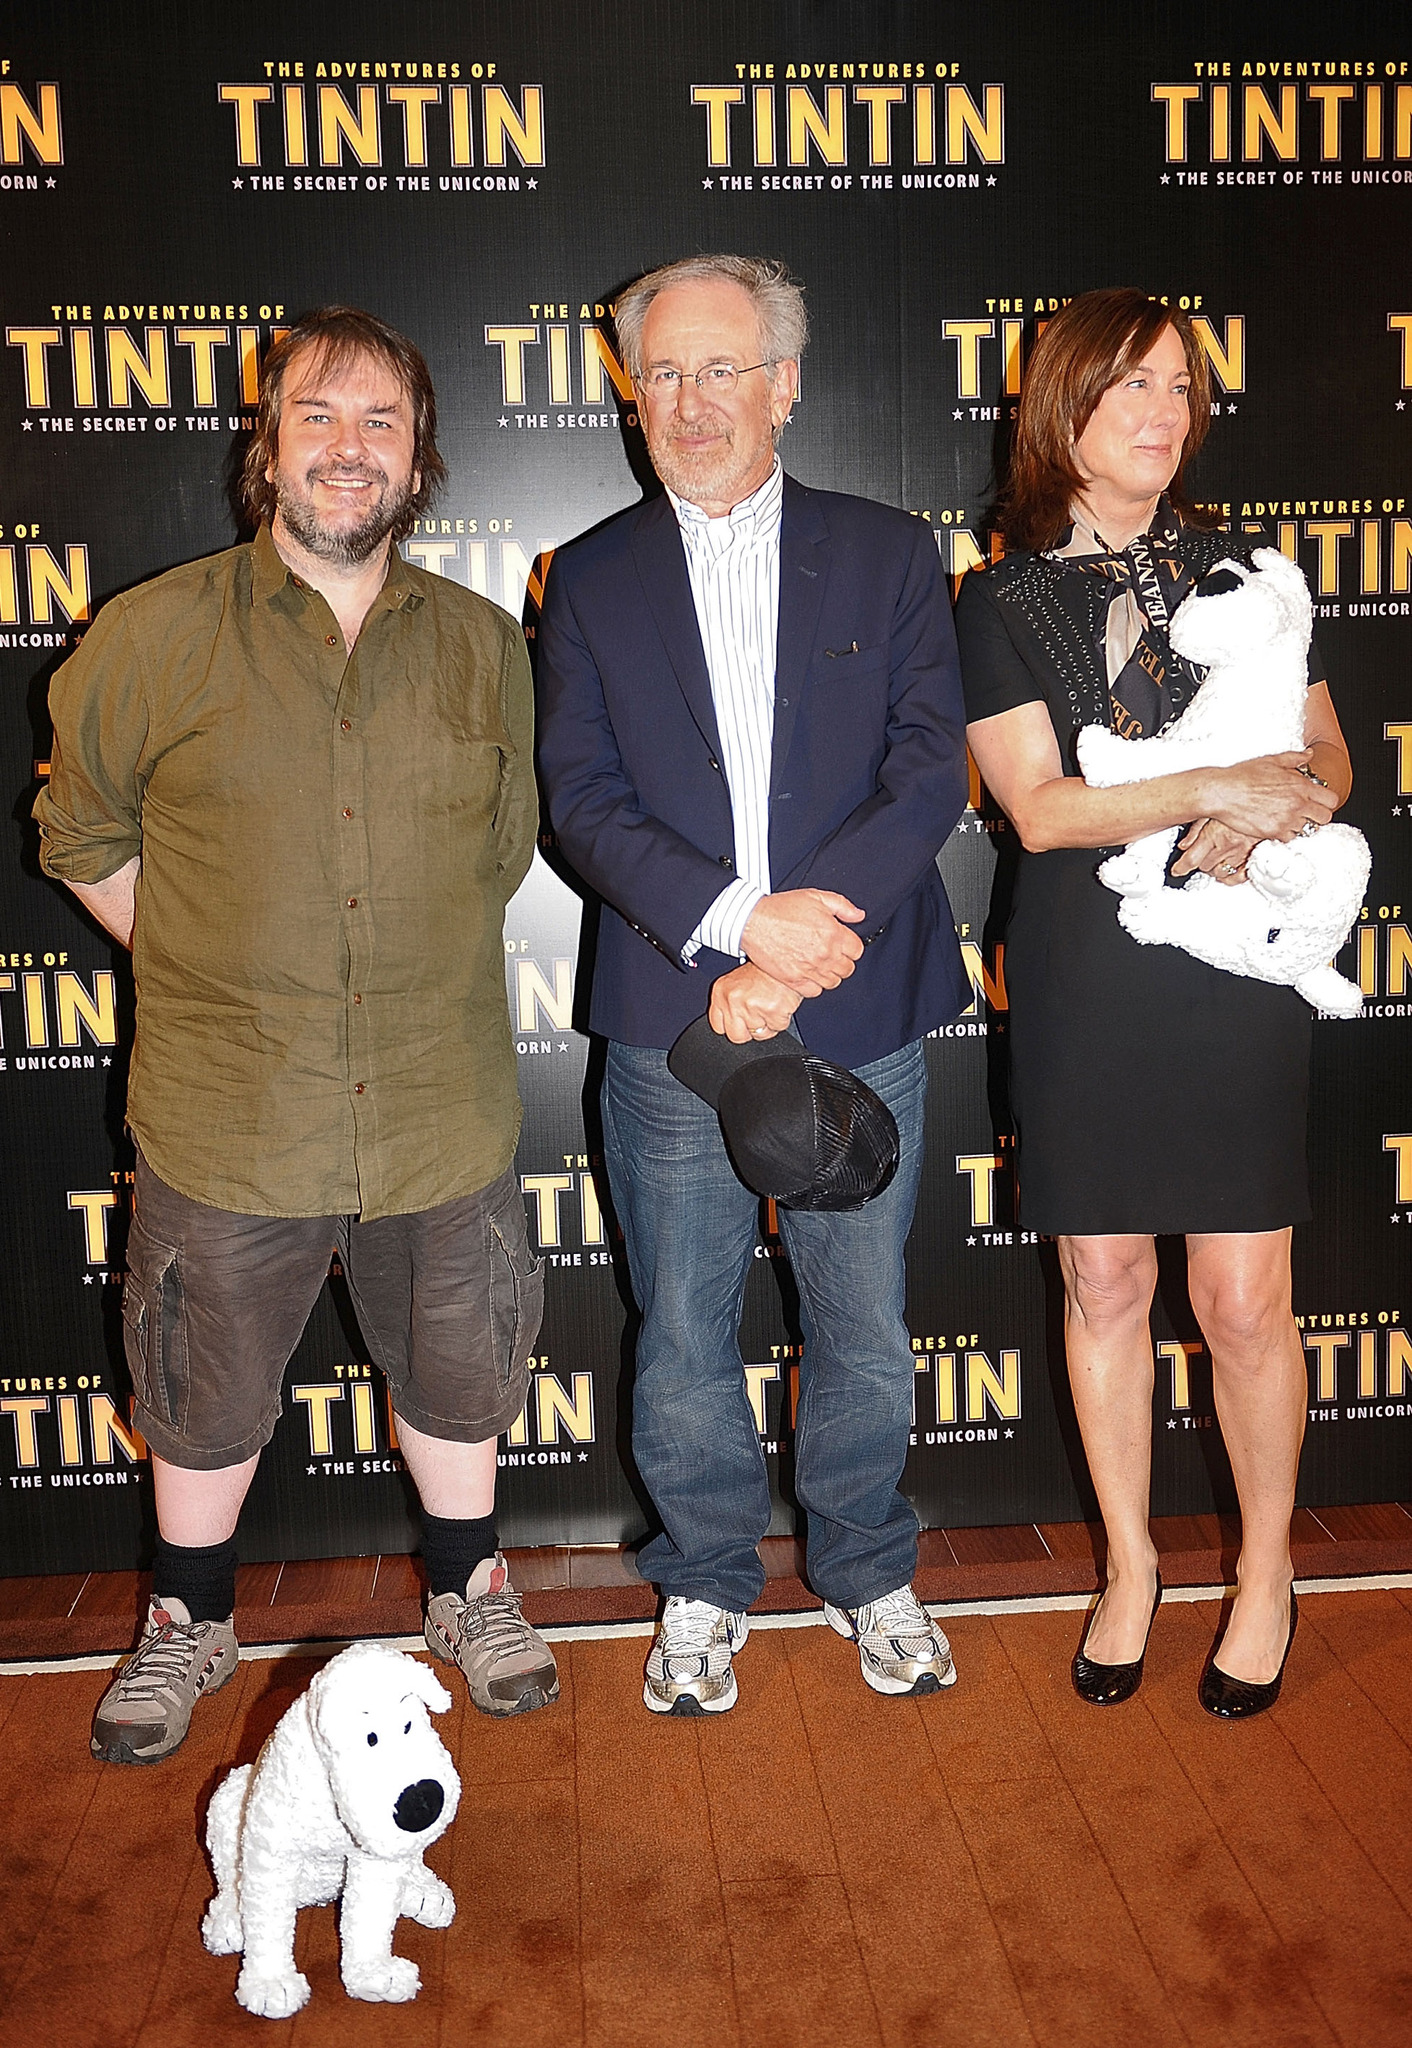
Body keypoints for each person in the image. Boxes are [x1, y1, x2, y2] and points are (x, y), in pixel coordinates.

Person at [36, 306, 559, 1763]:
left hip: (435, 1102)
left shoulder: (479, 648)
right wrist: (207, 963)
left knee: (458, 1372)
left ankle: (471, 1585)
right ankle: (187, 1619)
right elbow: (82, 837)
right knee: (202, 1388)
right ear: (266, 447)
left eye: (381, 422)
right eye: (317, 416)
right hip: (227, 1104)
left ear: (420, 461)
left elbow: (502, 845)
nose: (349, 448)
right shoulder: (150, 635)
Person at [536, 254, 970, 1715]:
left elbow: (929, 771)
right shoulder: (586, 578)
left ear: (786, 384)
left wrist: (804, 945)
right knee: (681, 1329)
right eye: (661, 372)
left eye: (723, 368)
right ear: (630, 392)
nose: (690, 400)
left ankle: (869, 1569)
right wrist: (735, 931)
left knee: (860, 1318)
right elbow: (581, 802)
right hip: (673, 1019)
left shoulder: (893, 553)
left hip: (857, 1001)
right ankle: (706, 1582)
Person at [955, 288, 1352, 1717]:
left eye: (1182, 390)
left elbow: (1330, 756)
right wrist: (1215, 788)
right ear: (1059, 406)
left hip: (1236, 957)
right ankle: (1128, 1565)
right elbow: (1045, 811)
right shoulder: (997, 598)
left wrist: (1281, 807)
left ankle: (1264, 1570)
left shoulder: (1251, 571)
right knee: (1105, 1279)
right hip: (1087, 972)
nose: (1164, 416)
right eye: (1132, 388)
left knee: (1244, 1298)